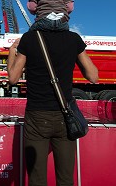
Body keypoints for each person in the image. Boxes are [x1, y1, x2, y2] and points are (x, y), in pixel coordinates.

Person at [7, 30, 98, 186]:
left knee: (36, 179)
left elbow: (13, 78)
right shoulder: (73, 39)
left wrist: (11, 52)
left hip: (37, 116)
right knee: (66, 179)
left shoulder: (29, 38)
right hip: (65, 117)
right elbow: (93, 76)